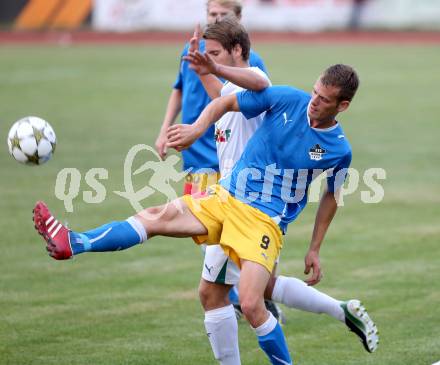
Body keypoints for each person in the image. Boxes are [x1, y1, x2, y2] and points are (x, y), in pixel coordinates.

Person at [33, 64, 379, 364]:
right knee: (158, 217)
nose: (314, 100)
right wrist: (196, 128)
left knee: (251, 302)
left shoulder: (338, 150)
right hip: (226, 196)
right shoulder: (288, 98)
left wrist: (315, 247)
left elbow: (332, 195)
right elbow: (227, 100)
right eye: (315, 91)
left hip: (264, 221)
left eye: (323, 98)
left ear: (342, 105)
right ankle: (74, 242)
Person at [185, 17, 378, 364]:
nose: (313, 102)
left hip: (247, 207)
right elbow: (221, 96)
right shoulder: (235, 87)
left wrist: (209, 75)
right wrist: (204, 70)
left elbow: (250, 83)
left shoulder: (259, 82)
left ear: (238, 49)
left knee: (220, 296)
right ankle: (341, 310)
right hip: (235, 200)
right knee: (260, 288)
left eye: (216, 51)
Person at [154, 0, 280, 321]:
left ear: (238, 20)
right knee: (209, 239)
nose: (215, 19)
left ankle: (255, 294)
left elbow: (242, 100)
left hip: (224, 159)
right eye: (211, 14)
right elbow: (180, 89)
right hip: (195, 155)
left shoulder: (251, 63)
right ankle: (248, 294)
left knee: (220, 235)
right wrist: (165, 128)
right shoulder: (194, 50)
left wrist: (212, 70)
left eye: (222, 15)